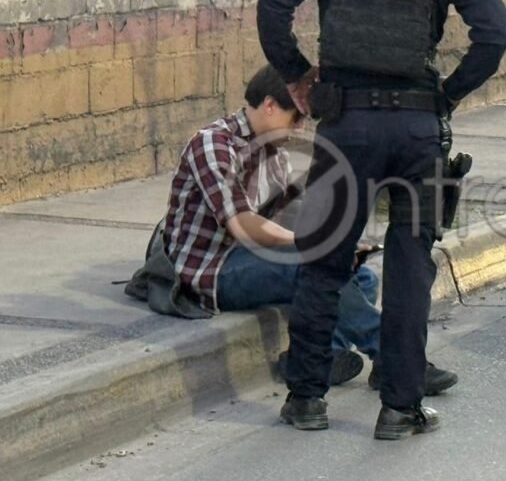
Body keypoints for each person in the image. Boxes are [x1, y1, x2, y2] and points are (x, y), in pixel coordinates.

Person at [258, 0, 506, 438]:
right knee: (409, 265)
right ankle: (400, 408)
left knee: (324, 262)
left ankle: (306, 399)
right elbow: (495, 34)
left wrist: (296, 73)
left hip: (346, 125)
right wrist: (449, 94)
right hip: (417, 131)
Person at [162, 64, 458, 392]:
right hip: (213, 269)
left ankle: (314, 358)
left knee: (362, 276)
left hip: (255, 256)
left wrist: (340, 242)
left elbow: (291, 214)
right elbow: (243, 224)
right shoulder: (213, 144)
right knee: (318, 269)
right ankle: (397, 360)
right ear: (270, 105)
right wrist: (308, 243)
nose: (300, 127)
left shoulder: (273, 150)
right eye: (296, 117)